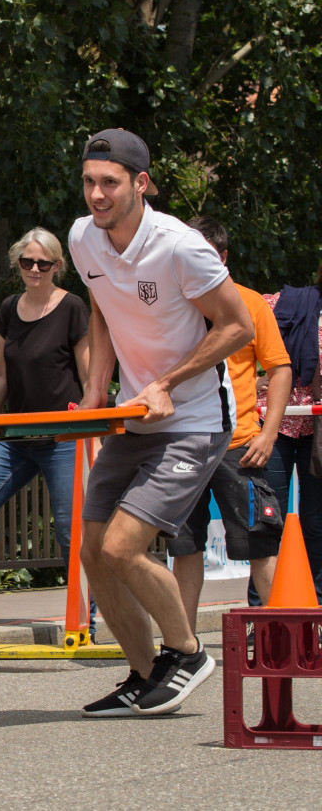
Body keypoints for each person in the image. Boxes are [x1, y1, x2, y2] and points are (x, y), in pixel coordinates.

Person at [71, 128, 252, 717]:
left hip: (195, 418)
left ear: (141, 183)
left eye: (109, 182)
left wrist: (166, 383)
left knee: (123, 545)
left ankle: (189, 652)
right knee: (93, 551)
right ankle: (145, 674)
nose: (97, 194)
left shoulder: (180, 247)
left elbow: (239, 327)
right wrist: (96, 391)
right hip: (134, 415)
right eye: (89, 182)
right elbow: (101, 307)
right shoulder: (83, 238)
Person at [0, 228, 90, 629]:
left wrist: (92, 436)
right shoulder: (9, 308)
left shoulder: (72, 308)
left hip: (63, 436)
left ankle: (85, 614)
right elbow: (0, 375)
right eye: (27, 262)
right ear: (17, 263)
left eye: (43, 263)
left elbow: (90, 380)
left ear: (57, 266)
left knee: (70, 528)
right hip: (16, 436)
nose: (35, 269)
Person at [167, 217, 291, 626]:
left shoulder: (250, 303)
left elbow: (279, 369)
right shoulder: (174, 302)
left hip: (239, 443)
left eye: (201, 256)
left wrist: (269, 434)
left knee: (260, 543)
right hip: (181, 440)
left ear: (221, 258)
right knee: (184, 546)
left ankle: (280, 638)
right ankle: (182, 644)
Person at [260, 260, 322, 600]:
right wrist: (252, 379)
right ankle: (261, 610)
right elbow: (236, 335)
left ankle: (316, 605)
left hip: (318, 431)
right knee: (270, 520)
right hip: (275, 425)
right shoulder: (281, 303)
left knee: (316, 522)